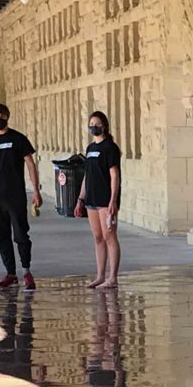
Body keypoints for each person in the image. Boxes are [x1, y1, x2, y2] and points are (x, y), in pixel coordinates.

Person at [0, 103, 42, 290]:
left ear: (7, 116)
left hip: (15, 195)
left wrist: (35, 190)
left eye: (1, 116)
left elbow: (30, 163)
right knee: (1, 236)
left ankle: (27, 271)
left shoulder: (18, 139)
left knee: (21, 234)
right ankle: (10, 272)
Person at [73, 111, 121, 289]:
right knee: (98, 237)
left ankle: (112, 277)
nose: (94, 127)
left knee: (110, 236)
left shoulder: (110, 147)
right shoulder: (91, 148)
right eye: (91, 123)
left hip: (105, 198)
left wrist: (113, 200)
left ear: (104, 125)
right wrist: (80, 198)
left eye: (97, 123)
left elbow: (114, 175)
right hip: (91, 199)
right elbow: (87, 175)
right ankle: (100, 275)